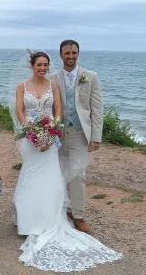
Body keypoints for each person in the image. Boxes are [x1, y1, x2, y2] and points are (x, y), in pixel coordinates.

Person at [11, 50, 122, 272]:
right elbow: (20, 111)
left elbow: (58, 112)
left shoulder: (54, 86)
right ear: (32, 65)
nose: (43, 68)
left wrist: (50, 132)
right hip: (31, 138)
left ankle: (51, 218)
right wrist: (31, 131)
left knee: (52, 178)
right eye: (39, 64)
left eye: (45, 65)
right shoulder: (21, 86)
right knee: (30, 177)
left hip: (50, 138)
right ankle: (27, 220)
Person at [50, 39, 104, 234]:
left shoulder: (90, 77)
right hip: (57, 133)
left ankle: (78, 215)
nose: (71, 56)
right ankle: (62, 210)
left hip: (81, 132)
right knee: (59, 173)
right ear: (61, 55)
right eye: (67, 53)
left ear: (78, 54)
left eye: (74, 53)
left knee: (78, 174)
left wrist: (96, 136)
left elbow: (97, 109)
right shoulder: (53, 77)